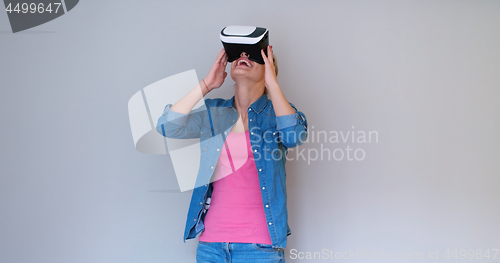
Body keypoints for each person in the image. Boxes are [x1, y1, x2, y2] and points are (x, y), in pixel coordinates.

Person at [156, 45, 308, 262]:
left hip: (260, 248)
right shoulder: (214, 113)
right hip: (212, 247)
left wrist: (272, 84)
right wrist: (206, 85)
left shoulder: (278, 113)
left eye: (254, 54)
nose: (244, 56)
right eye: (239, 53)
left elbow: (294, 136)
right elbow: (167, 127)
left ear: (269, 68)